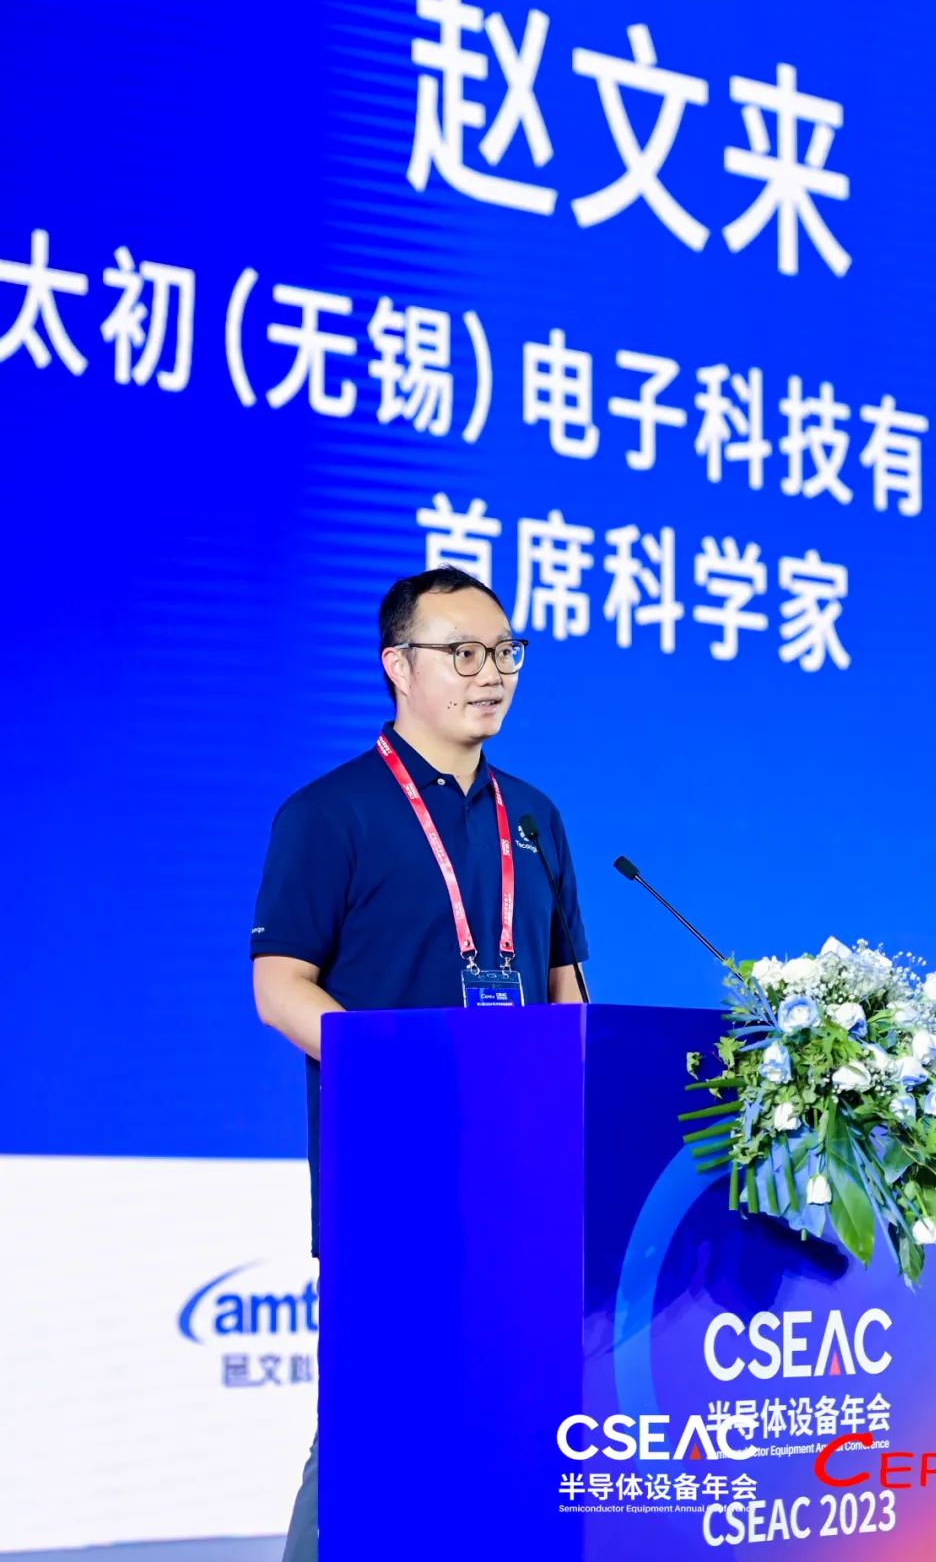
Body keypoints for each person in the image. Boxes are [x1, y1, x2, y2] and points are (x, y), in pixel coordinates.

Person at [249, 565, 589, 1560]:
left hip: (525, 1174)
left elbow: (565, 988)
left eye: (505, 652)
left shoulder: (535, 817)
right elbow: (279, 986)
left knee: (517, 1424)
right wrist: (403, 1072)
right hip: (396, 1169)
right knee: (374, 1426)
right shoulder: (329, 813)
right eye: (463, 653)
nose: (492, 674)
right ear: (398, 665)